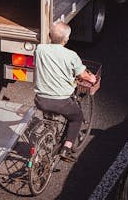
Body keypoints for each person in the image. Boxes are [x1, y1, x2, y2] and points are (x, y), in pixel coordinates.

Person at [34, 20, 97, 162]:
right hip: (61, 101)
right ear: (66, 39)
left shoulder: (40, 50)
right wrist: (91, 79)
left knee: (50, 115)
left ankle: (48, 132)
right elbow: (82, 75)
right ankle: (66, 149)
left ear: (50, 36)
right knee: (77, 117)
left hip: (40, 99)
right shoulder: (71, 55)